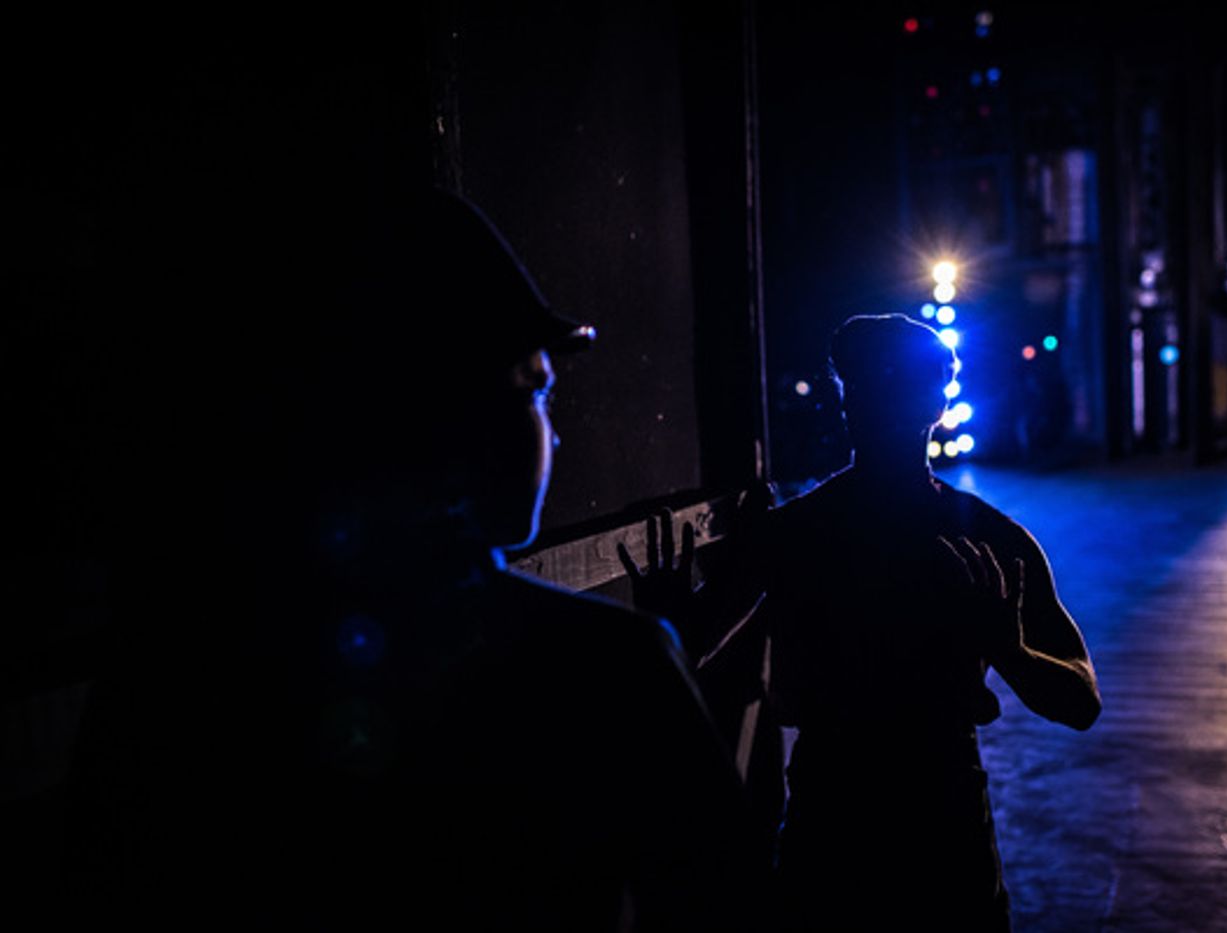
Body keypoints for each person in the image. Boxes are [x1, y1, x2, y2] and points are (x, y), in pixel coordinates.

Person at [61, 188, 769, 930]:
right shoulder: (609, 665)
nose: (551, 437)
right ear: (459, 415)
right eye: (536, 391)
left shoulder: (178, 678)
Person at [624, 313, 1100, 932]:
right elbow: (1080, 702)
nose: (879, 405)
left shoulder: (802, 533)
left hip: (872, 824)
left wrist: (1007, 650)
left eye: (892, 388)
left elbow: (1081, 701)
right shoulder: (977, 537)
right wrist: (665, 622)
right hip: (907, 824)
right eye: (872, 390)